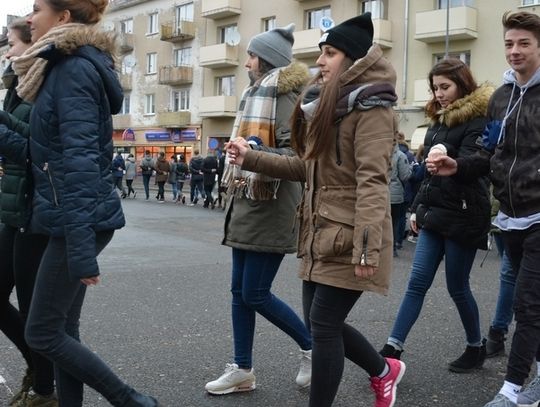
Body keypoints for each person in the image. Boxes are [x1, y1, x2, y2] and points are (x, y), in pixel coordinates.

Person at [225, 13, 406, 407]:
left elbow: (372, 182)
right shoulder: (328, 105)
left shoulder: (373, 109)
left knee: (323, 326)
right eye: (321, 53)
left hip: (350, 234)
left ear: (354, 59)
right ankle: (383, 370)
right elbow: (303, 167)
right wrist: (251, 157)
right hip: (319, 231)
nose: (320, 62)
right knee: (322, 323)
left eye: (330, 53)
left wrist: (366, 248)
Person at [2, 0, 159, 405]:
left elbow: (80, 162)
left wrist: (81, 247)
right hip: (68, 215)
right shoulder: (57, 68)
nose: (29, 18)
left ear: (63, 17)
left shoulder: (72, 70)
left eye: (37, 9)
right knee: (62, 332)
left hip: (77, 218)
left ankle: (130, 400)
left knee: (43, 333)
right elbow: (42, 153)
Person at [429, 11, 540, 407]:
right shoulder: (501, 98)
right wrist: (458, 165)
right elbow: (489, 152)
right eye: (509, 43)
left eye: (524, 43)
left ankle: (513, 390)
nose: (514, 51)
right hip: (510, 215)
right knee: (531, 302)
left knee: (527, 303)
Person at [205, 23, 313, 396]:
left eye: (251, 55)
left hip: (272, 205)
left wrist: (252, 152)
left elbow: (298, 157)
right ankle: (243, 368)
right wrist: (244, 152)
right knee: (239, 292)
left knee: (255, 293)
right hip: (247, 201)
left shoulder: (284, 97)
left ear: (266, 59)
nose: (246, 62)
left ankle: (312, 346)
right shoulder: (256, 94)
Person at [380, 59, 493, 374]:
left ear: (462, 83)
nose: (439, 93)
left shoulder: (480, 118)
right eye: (435, 88)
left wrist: (452, 161)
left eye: (445, 86)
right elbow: (428, 175)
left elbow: (480, 162)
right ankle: (392, 348)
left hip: (465, 213)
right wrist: (417, 208)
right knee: (416, 282)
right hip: (434, 214)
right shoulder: (438, 121)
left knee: (458, 286)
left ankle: (475, 346)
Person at [0, 18, 57, 407]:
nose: (8, 52)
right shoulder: (17, 88)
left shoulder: (41, 86)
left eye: (14, 44)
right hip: (14, 208)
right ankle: (37, 370)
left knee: (38, 312)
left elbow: (34, 149)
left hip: (35, 212)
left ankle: (44, 388)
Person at [389, 141, 411, 257]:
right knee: (393, 222)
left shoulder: (379, 151)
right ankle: (391, 248)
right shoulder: (400, 155)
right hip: (395, 193)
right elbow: (405, 176)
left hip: (380, 190)